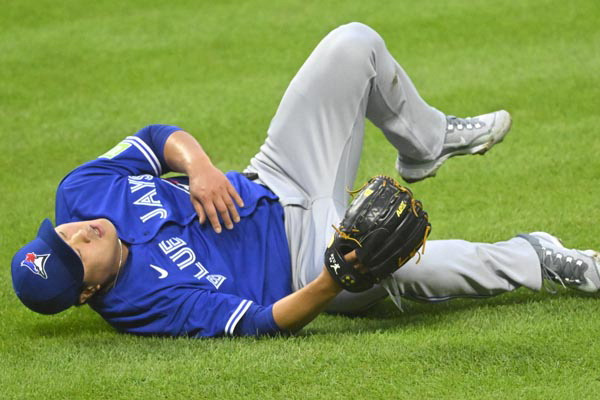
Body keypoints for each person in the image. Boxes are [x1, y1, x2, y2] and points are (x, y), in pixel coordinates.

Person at [11, 22, 600, 337]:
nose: (80, 232)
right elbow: (263, 323)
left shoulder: (79, 193)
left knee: (352, 44)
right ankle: (541, 259)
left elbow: (156, 135)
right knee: (408, 263)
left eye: (62, 235)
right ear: (88, 294)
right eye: (77, 252)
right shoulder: (145, 306)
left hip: (276, 174)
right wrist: (334, 278)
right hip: (307, 264)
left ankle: (424, 143)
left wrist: (199, 166)